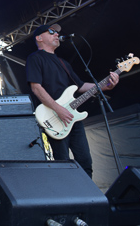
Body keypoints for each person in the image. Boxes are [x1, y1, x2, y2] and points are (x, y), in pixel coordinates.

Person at [26, 23, 118, 177]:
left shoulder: (64, 63)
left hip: (71, 118)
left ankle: (88, 192)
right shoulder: (35, 58)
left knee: (85, 162)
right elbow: (36, 87)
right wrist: (58, 109)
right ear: (39, 38)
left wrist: (106, 86)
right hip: (53, 116)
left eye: (57, 32)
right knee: (63, 162)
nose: (57, 34)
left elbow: (81, 86)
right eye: (51, 32)